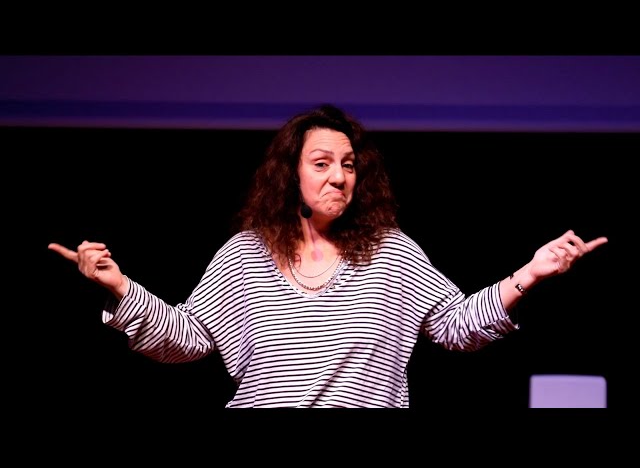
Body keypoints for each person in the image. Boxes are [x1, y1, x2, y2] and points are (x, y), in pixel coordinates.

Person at [48, 103, 608, 408]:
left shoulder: (391, 251)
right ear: (290, 175)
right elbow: (188, 339)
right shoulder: (245, 253)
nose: (339, 176)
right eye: (321, 163)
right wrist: (119, 287)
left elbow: (457, 325)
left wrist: (530, 273)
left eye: (348, 165)